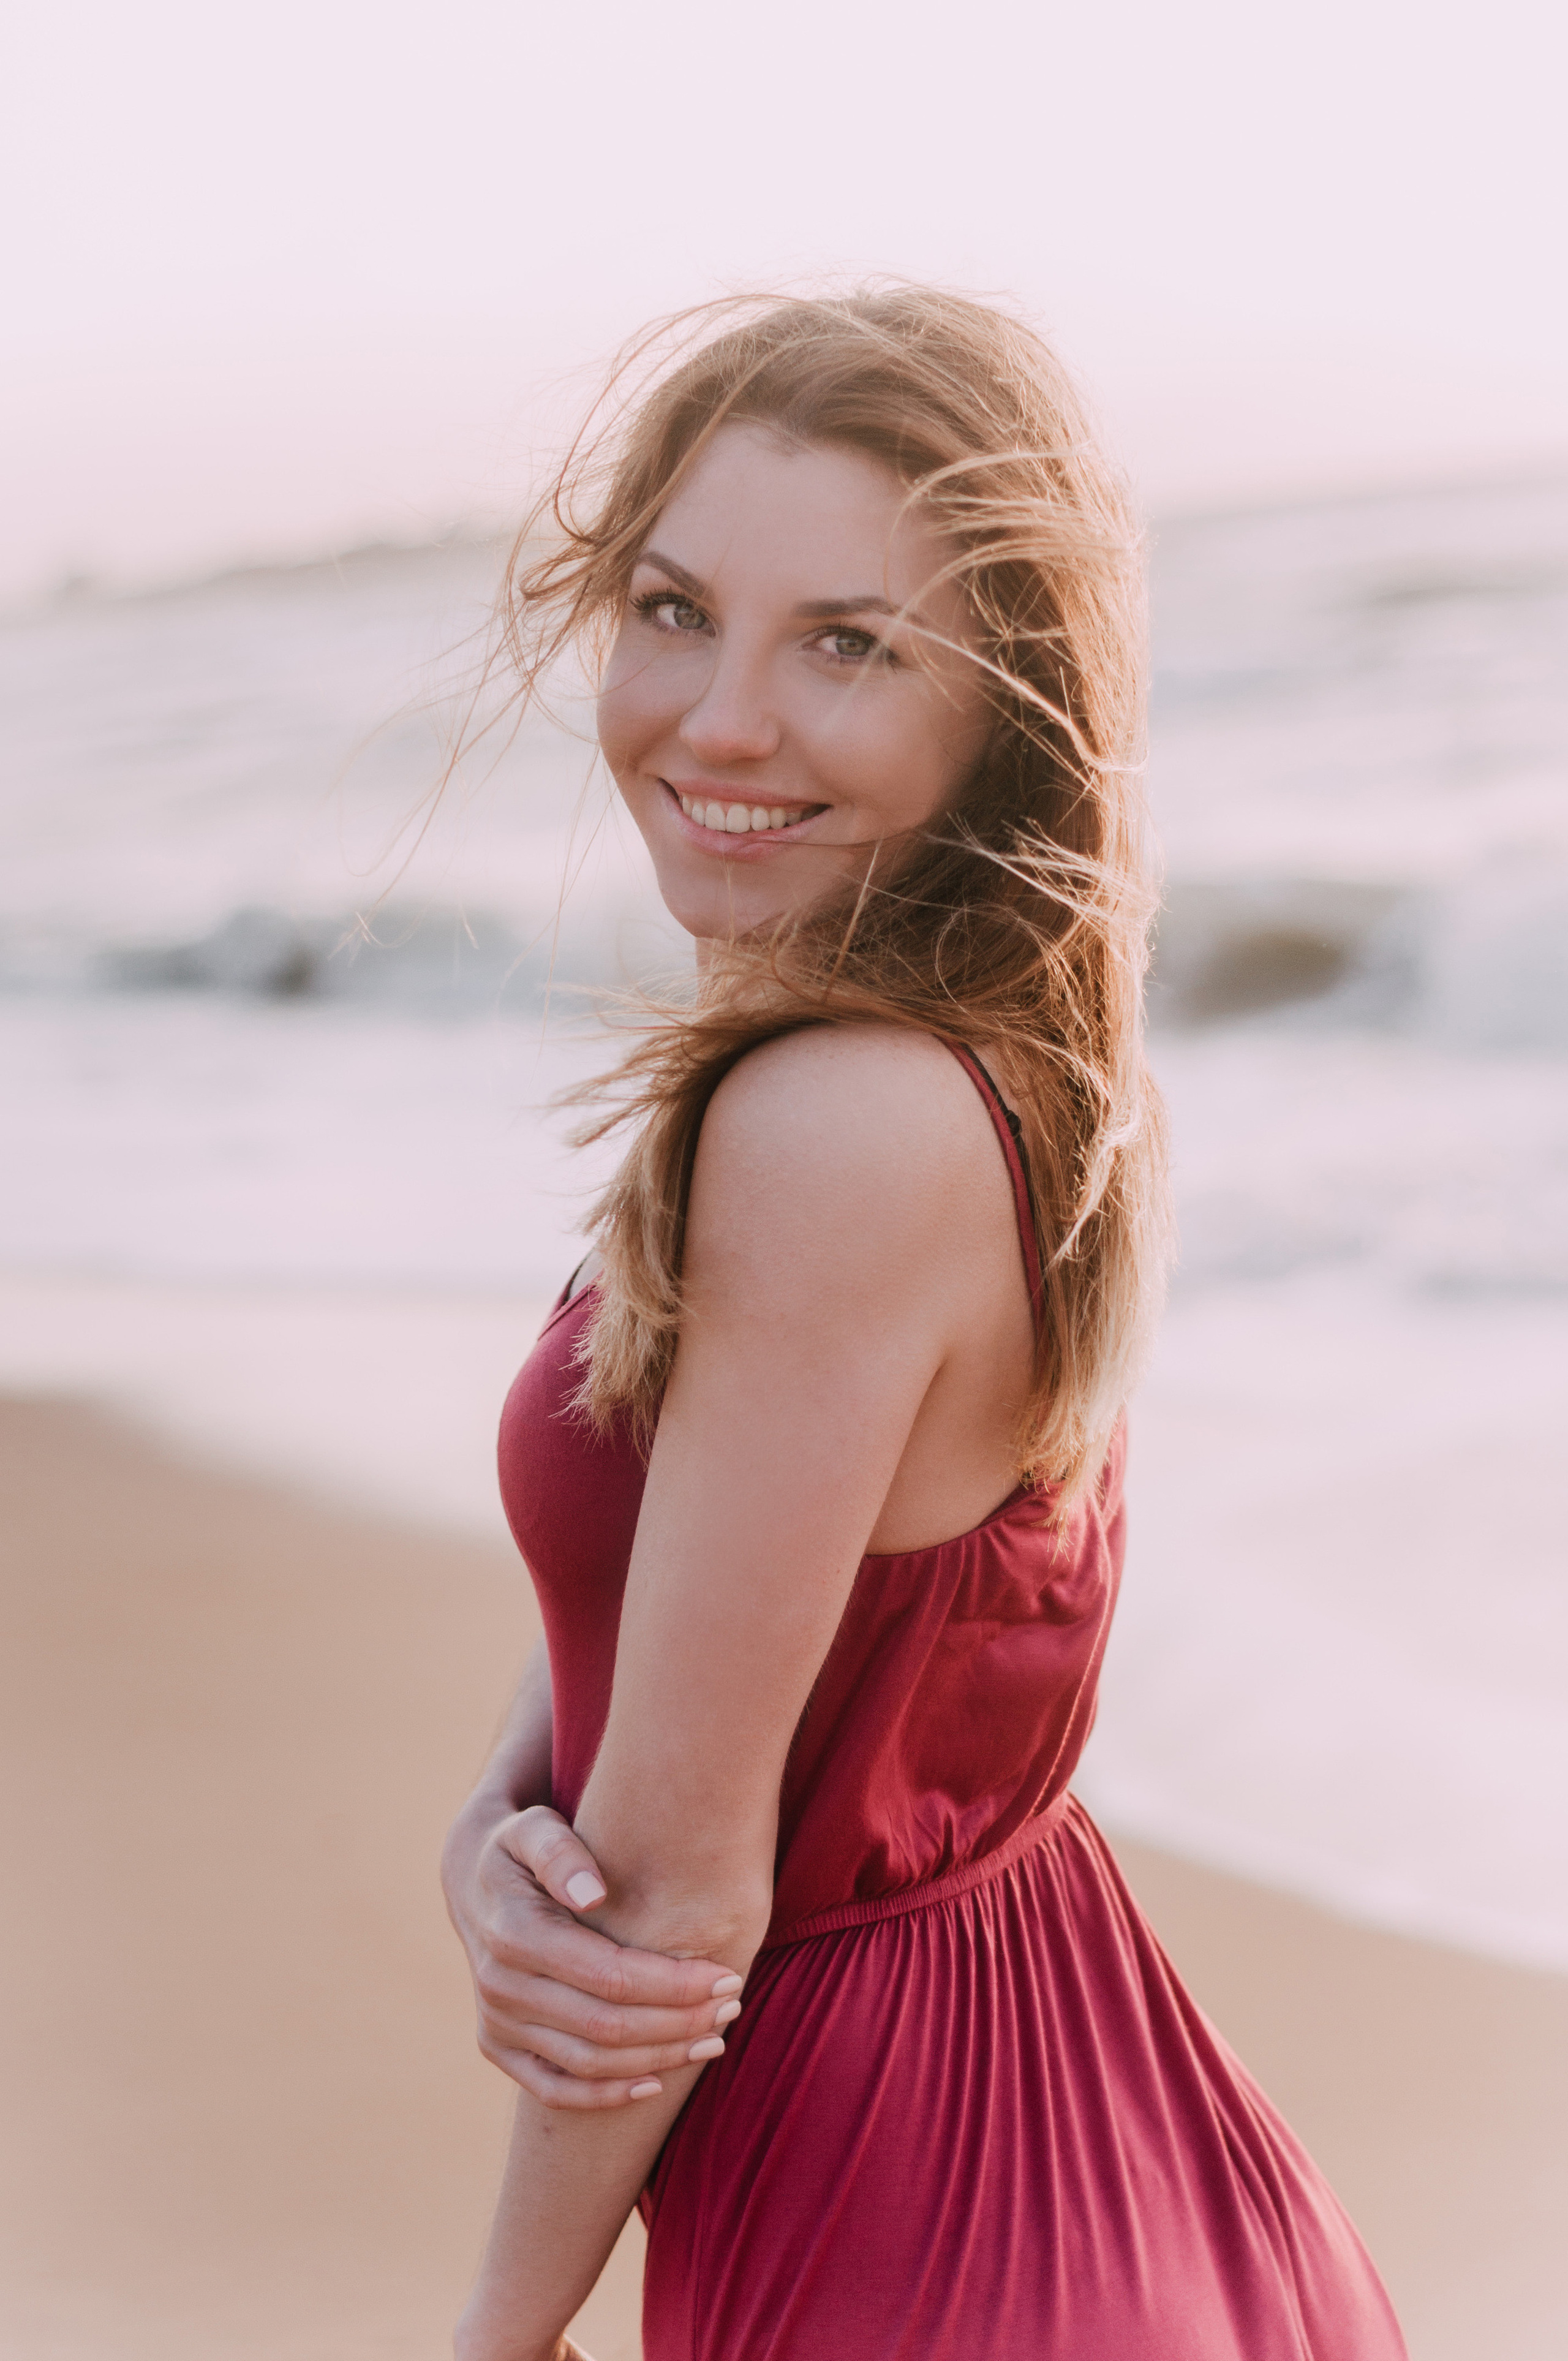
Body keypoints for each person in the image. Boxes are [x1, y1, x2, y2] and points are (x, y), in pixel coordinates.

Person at [440, 288, 1406, 2361]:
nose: (719, 721)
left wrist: (497, 2335)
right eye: (676, 610)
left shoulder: (833, 1128)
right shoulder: (978, 1068)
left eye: (849, 645)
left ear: (1007, 709)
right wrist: (507, 1816)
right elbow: (746, 1597)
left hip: (913, 2223)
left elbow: (684, 1899)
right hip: (1102, 2140)